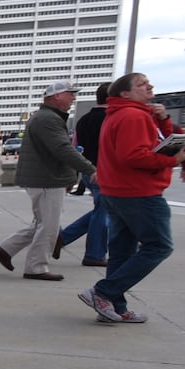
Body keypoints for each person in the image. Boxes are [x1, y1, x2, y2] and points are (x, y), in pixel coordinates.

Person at [79, 73, 185, 324]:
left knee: (121, 251)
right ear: (125, 94)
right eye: (142, 84)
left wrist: (163, 120)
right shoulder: (134, 116)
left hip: (118, 191)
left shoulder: (124, 114)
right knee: (159, 246)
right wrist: (173, 161)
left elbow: (158, 142)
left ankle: (115, 307)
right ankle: (103, 292)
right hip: (138, 192)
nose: (150, 86)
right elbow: (135, 156)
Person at [0, 82, 94, 282]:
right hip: (47, 178)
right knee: (48, 225)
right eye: (70, 94)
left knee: (44, 223)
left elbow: (59, 149)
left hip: (45, 178)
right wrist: (89, 169)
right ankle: (36, 266)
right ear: (57, 96)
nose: (73, 98)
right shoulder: (49, 119)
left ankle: (6, 248)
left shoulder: (45, 117)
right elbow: (62, 149)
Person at [56, 82, 112, 267]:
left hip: (88, 170)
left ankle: (62, 238)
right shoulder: (112, 118)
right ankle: (94, 254)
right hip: (105, 171)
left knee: (101, 211)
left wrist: (74, 174)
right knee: (103, 213)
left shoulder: (84, 120)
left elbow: (74, 149)